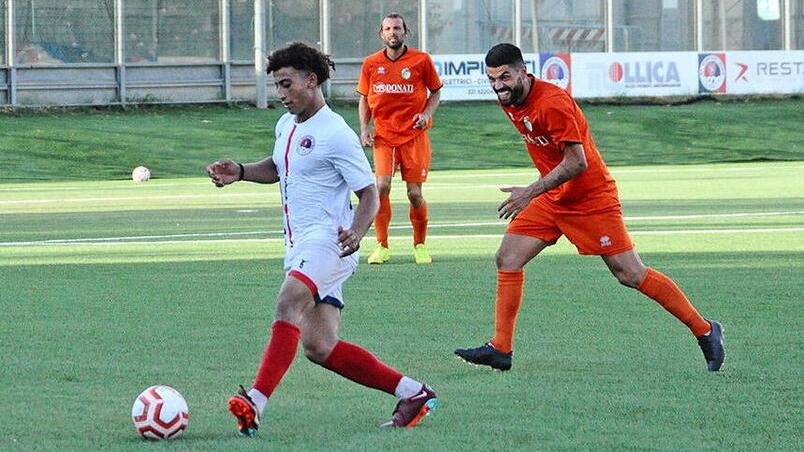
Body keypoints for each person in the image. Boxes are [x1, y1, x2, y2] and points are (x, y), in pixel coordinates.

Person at [206, 42, 437, 436]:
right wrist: (242, 170)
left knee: (287, 302)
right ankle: (414, 393)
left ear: (311, 81)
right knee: (319, 346)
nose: (280, 93)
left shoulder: (336, 133)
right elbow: (278, 167)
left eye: (286, 84)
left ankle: (255, 401)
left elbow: (368, 192)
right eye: (277, 85)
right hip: (297, 245)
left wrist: (358, 232)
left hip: (329, 241)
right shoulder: (286, 125)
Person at [454, 43, 725, 373]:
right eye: (492, 79)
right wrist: (540, 192)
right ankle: (501, 348)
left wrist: (530, 192)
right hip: (554, 197)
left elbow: (577, 162)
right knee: (508, 257)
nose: (498, 86)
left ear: (524, 72)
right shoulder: (510, 99)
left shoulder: (551, 103)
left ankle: (705, 330)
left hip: (590, 198)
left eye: (505, 77)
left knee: (630, 274)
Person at [357, 13, 443, 264]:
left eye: (397, 28)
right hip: (383, 137)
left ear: (405, 32)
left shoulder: (421, 60)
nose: (392, 32)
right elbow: (364, 98)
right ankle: (382, 246)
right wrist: (364, 128)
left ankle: (420, 246)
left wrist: (425, 114)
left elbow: (436, 91)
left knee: (414, 194)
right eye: (388, 28)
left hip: (414, 137)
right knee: (380, 187)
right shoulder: (371, 63)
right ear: (381, 34)